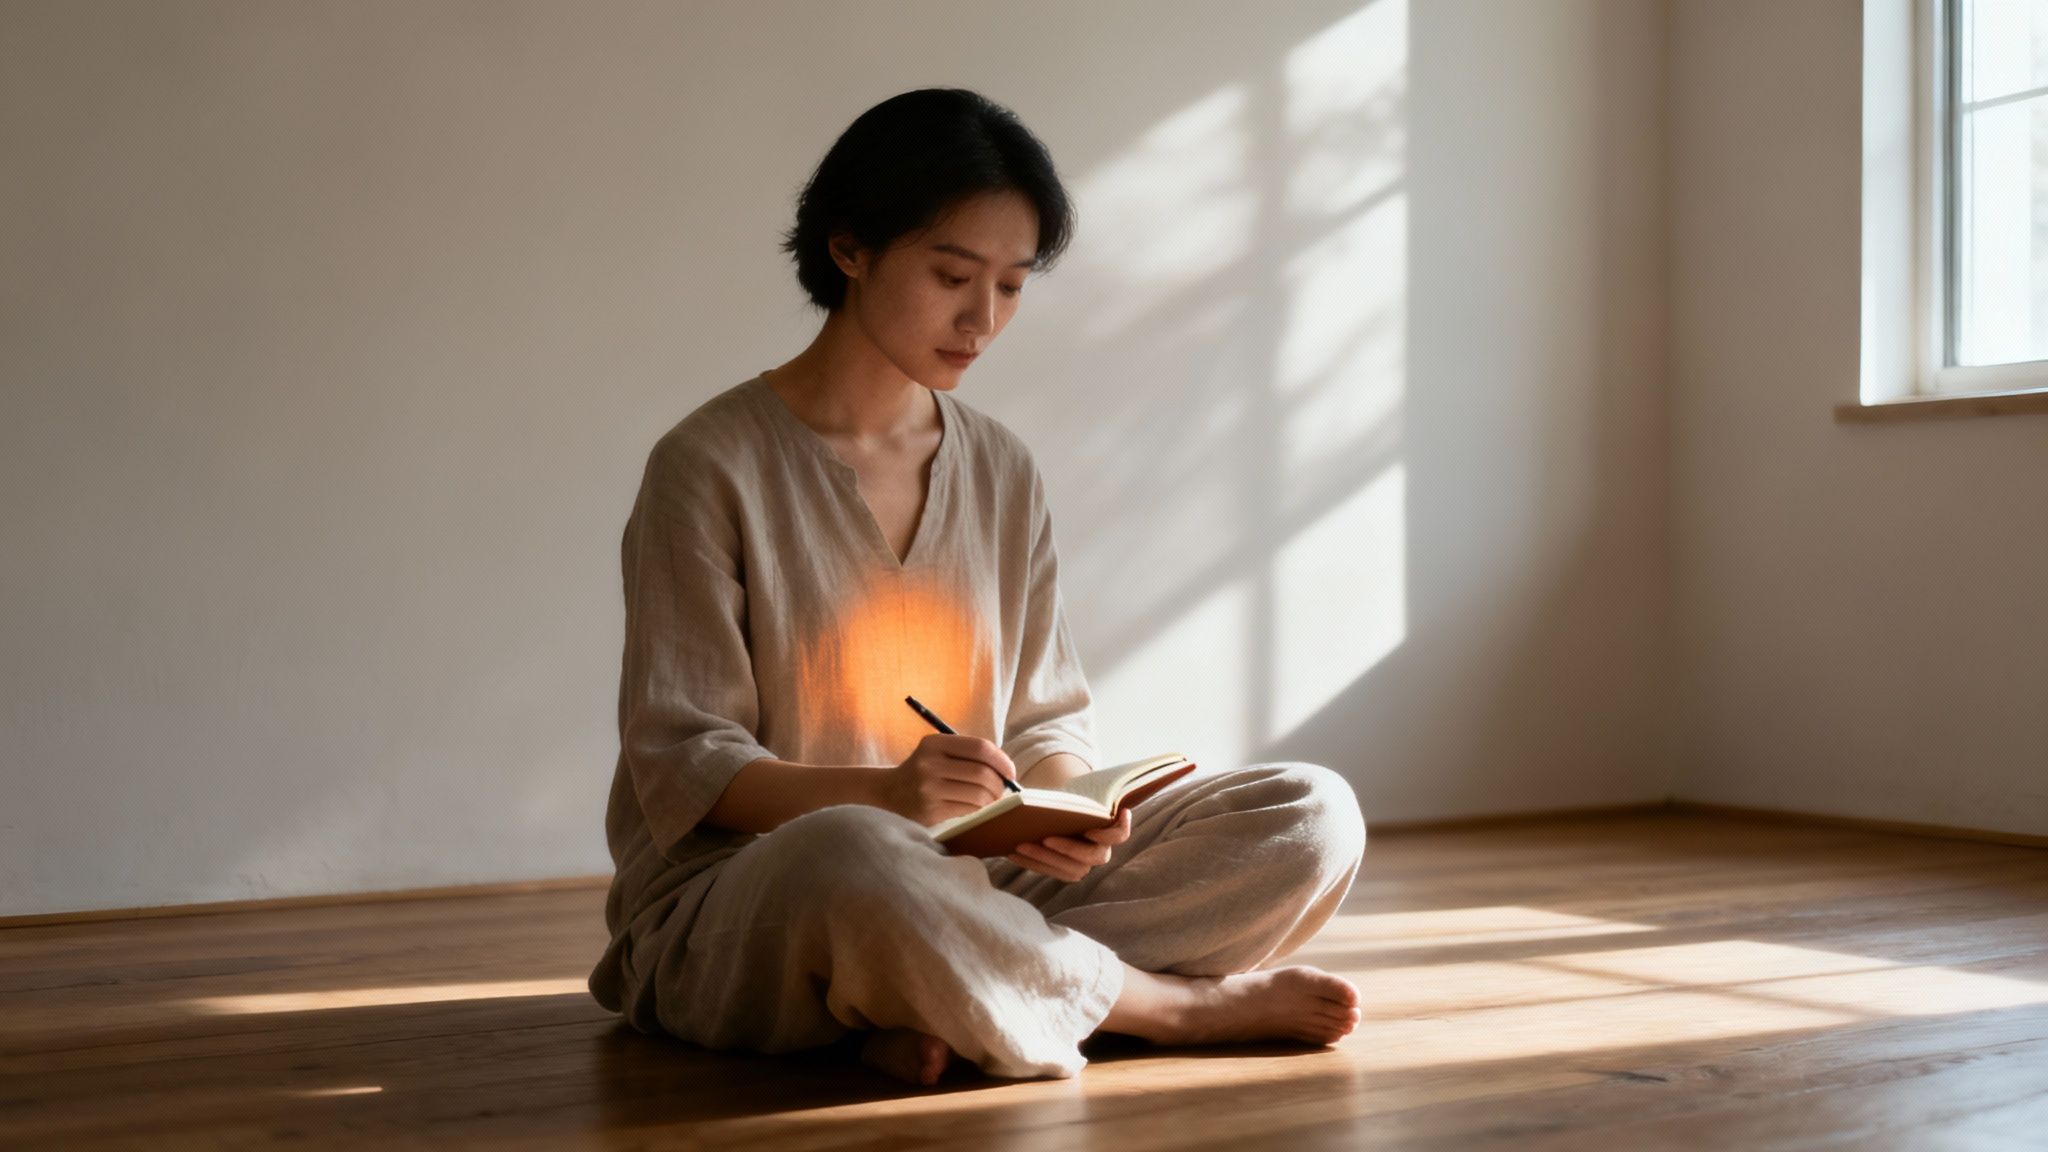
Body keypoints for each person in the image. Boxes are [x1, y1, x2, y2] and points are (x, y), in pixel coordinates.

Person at [587, 87, 1367, 1087]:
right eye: (951, 275)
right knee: (859, 858)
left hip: (966, 883)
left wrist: (1056, 807)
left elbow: (1046, 713)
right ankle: (1156, 1006)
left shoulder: (999, 468)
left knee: (1309, 815)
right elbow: (683, 766)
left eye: (1009, 284)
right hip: (756, 900)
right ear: (849, 249)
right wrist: (884, 795)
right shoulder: (708, 465)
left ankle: (936, 1001)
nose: (982, 318)